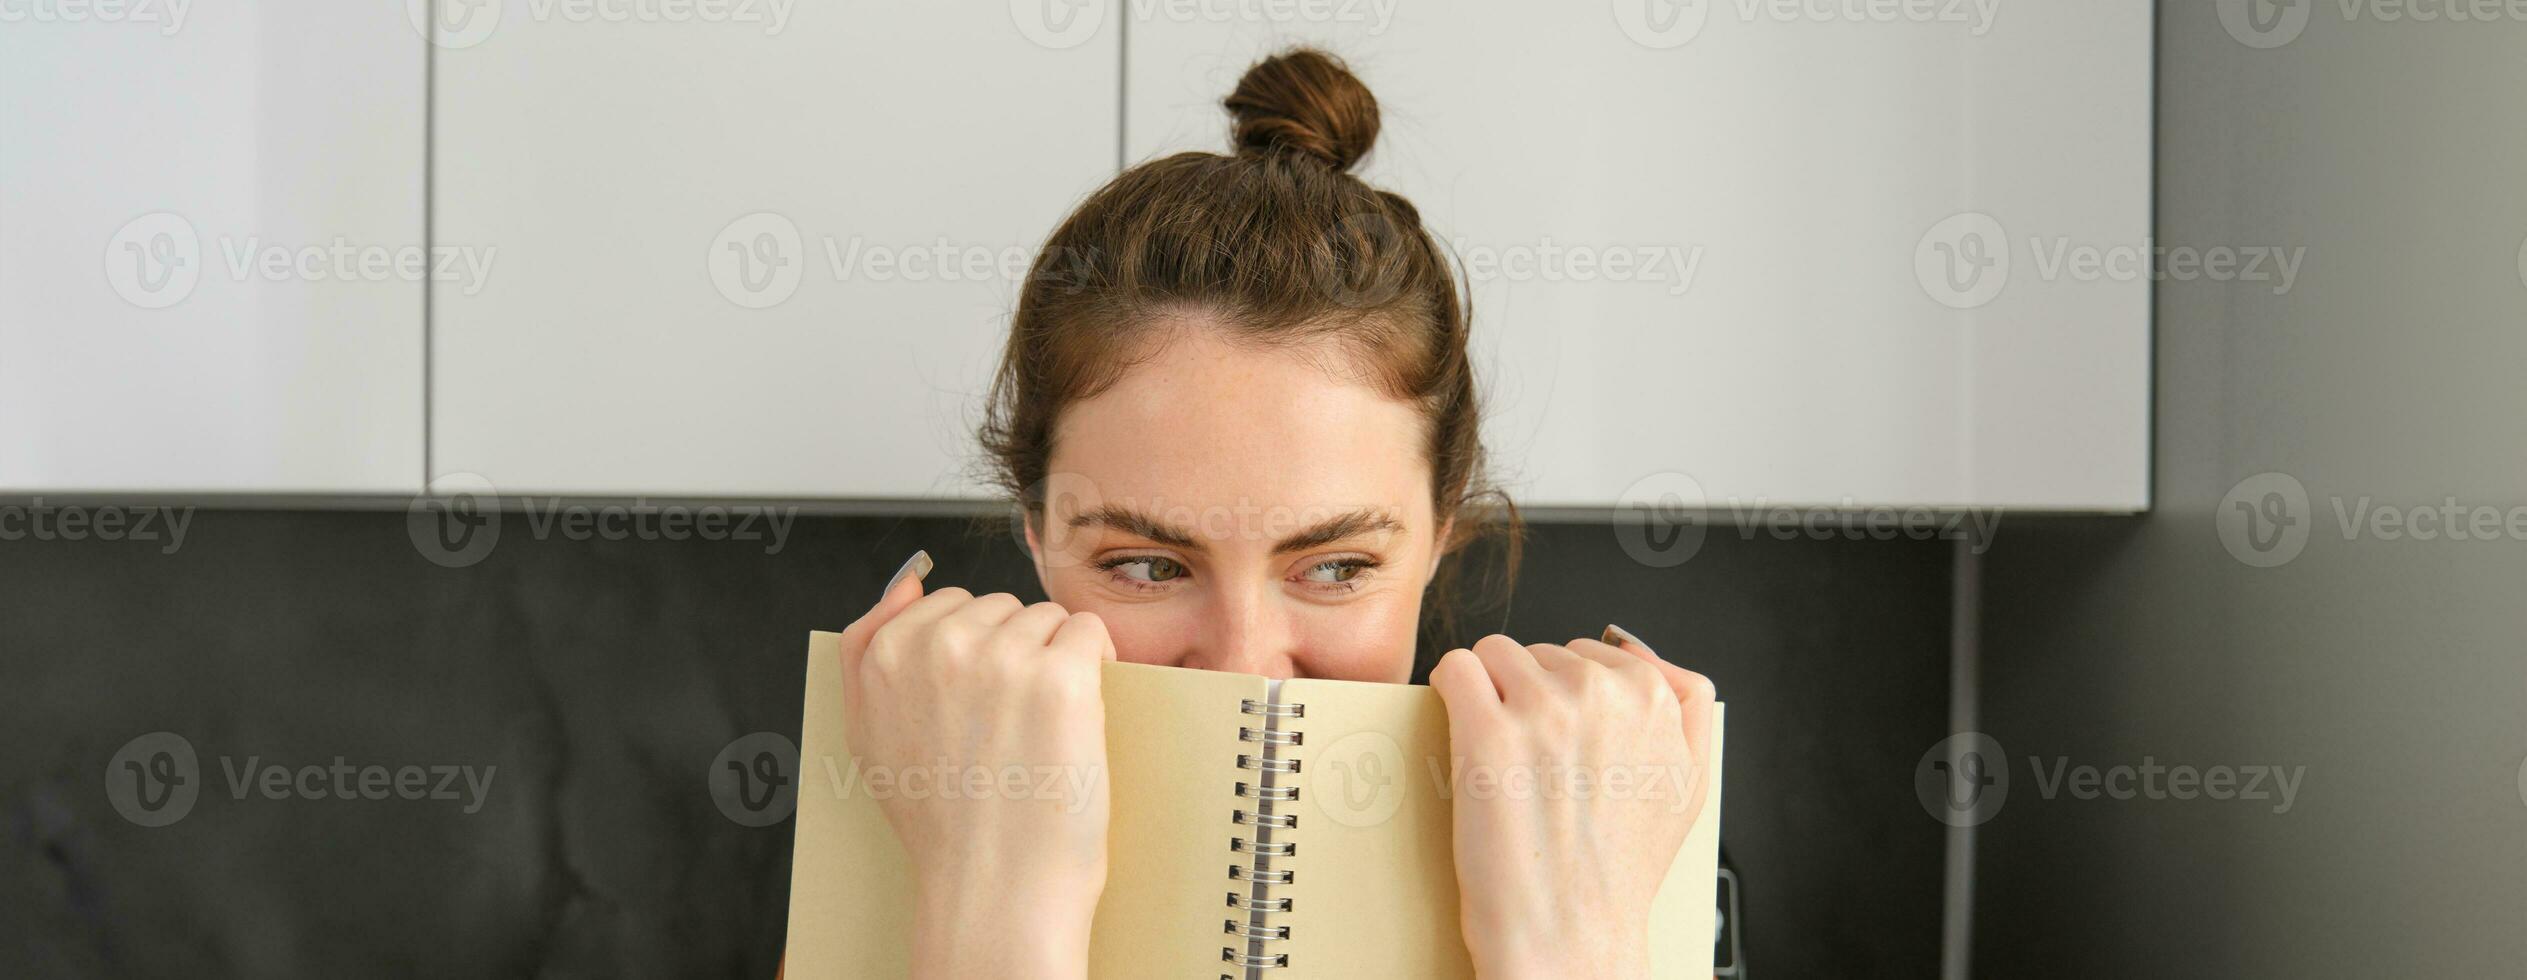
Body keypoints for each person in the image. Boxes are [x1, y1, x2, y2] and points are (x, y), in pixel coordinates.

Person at [821, 47, 1716, 979]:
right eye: (1147, 564)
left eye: (1336, 567)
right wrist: (989, 903)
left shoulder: (1615, 860)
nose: (1245, 666)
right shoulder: (899, 824)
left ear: (1441, 529)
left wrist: (1578, 950)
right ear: (1037, 531)